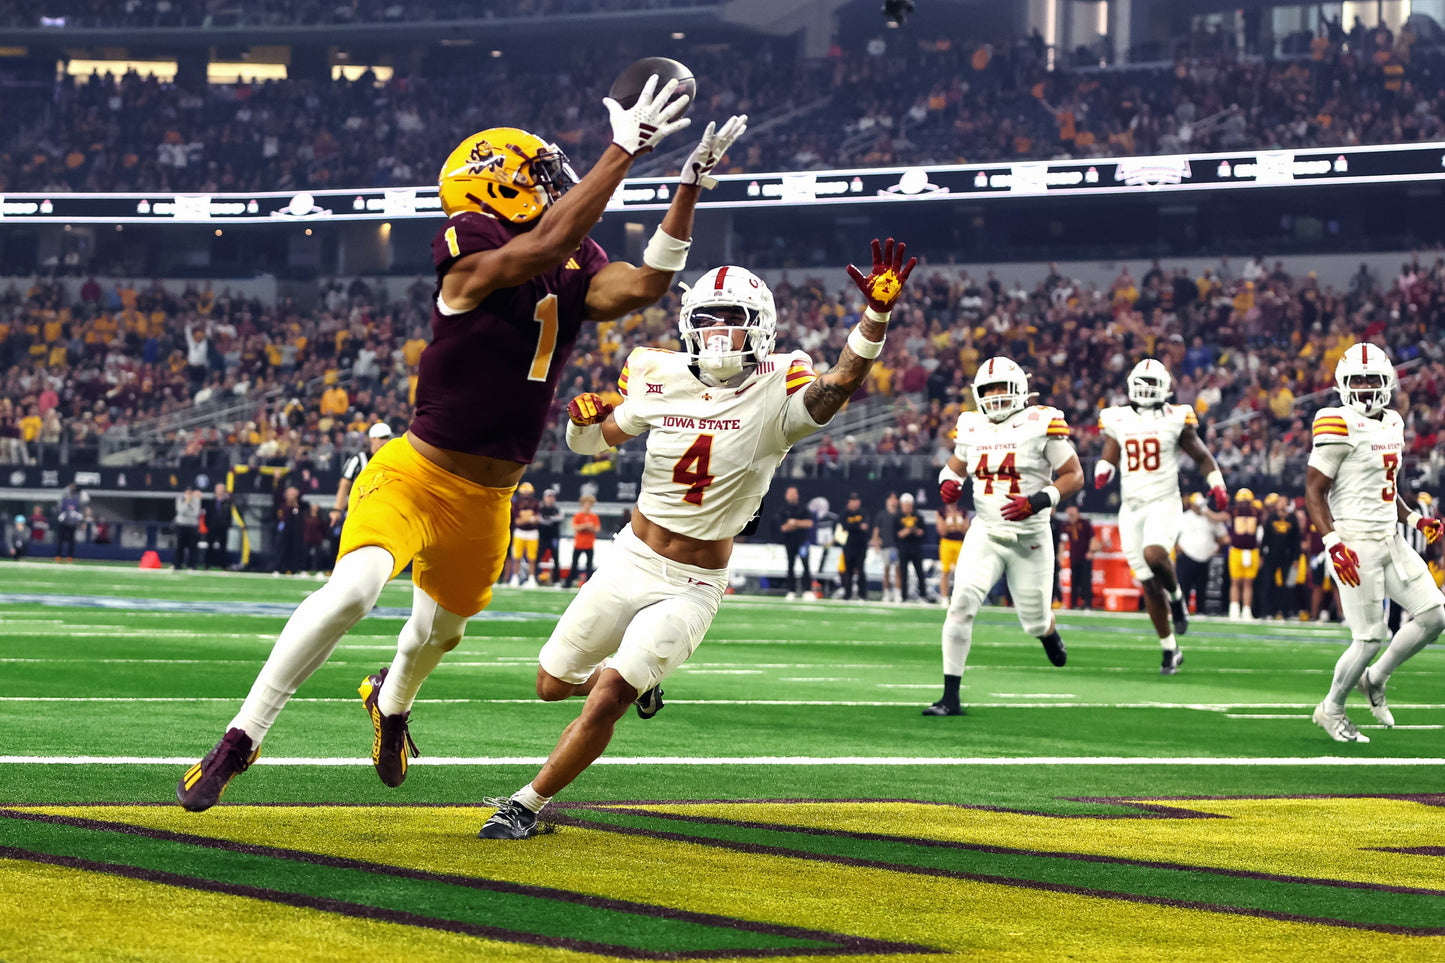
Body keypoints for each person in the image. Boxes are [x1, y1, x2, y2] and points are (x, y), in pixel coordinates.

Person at [177, 79, 737, 811]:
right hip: (416, 470)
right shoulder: (470, 239)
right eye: (536, 174)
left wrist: (687, 187)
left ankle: (391, 702)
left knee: (436, 634)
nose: (551, 184)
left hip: (489, 495)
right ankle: (241, 737)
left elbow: (642, 288)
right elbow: (542, 243)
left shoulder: (571, 250)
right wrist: (622, 151)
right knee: (353, 589)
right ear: (495, 185)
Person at [477, 238, 916, 839]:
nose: (716, 328)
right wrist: (581, 425)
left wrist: (875, 317)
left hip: (692, 584)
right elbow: (593, 443)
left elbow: (839, 382)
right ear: (687, 323)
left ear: (757, 328)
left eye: (731, 317)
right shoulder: (657, 373)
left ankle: (526, 804)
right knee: (551, 685)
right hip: (630, 558)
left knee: (608, 695)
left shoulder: (776, 389)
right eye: (706, 316)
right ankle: (640, 680)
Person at [926, 356, 1085, 716]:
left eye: (1003, 388)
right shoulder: (971, 426)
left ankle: (1047, 631)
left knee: (1033, 620)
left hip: (1030, 538)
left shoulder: (1038, 421)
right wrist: (948, 484)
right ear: (977, 394)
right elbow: (953, 468)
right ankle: (950, 697)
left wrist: (1039, 500)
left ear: (1021, 391)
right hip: (985, 530)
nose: (996, 396)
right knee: (961, 604)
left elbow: (1074, 475)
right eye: (989, 389)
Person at [1306, 344, 1445, 743]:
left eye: (1373, 380)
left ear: (1387, 383)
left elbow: (1388, 487)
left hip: (1391, 537)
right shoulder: (1335, 422)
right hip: (1353, 542)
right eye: (1357, 381)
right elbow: (1314, 492)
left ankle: (1375, 679)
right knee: (1369, 637)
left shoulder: (1394, 422)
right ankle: (1330, 709)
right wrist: (1332, 542)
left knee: (1434, 616)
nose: (1365, 388)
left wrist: (1414, 518)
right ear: (1343, 385)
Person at [1095, 359, 1229, 673]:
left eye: (1151, 384)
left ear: (1165, 388)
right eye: (1141, 384)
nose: (1145, 390)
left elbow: (1201, 455)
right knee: (1147, 583)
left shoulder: (1174, 417)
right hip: (1131, 506)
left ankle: (1178, 597)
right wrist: (1105, 468)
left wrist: (1217, 484)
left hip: (1163, 502)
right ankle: (1170, 649)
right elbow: (1112, 449)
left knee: (1155, 555)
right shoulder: (1119, 418)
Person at [331, 423, 393, 532]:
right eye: (383, 438)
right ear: (372, 439)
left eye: (388, 438)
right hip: (359, 514)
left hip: (383, 515)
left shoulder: (391, 461)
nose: (386, 441)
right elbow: (344, 485)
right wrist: (337, 509)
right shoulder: (359, 459)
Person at [1176, 494, 1228, 615]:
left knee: (1202, 586)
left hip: (1205, 558)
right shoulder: (1184, 517)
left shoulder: (1211, 519)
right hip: (1186, 556)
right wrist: (1178, 548)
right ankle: (1182, 610)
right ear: (1192, 505)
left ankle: (1200, 610)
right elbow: (1173, 535)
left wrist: (1215, 548)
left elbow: (1224, 537)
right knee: (1184, 586)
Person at [1259, 495, 1301, 619]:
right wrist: (1261, 555)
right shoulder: (1271, 518)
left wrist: (1296, 558)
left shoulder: (1292, 519)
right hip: (1271, 555)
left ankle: (1285, 612)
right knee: (1267, 584)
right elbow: (1265, 539)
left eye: (1284, 501)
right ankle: (1265, 612)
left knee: (1287, 585)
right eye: (1279, 501)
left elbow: (1296, 541)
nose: (1281, 504)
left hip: (1287, 556)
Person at [1227, 488, 1264, 620]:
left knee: (1248, 582)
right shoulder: (1233, 512)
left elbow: (1262, 531)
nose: (1243, 504)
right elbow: (1218, 518)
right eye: (1241, 501)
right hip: (1236, 550)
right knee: (1235, 581)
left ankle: (1247, 610)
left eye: (1246, 501)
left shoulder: (1256, 512)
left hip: (1251, 550)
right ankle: (1234, 608)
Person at [776, 485, 813, 598]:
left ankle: (808, 590)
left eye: (793, 493)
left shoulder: (803, 508)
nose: (791, 496)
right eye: (789, 494)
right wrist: (795, 525)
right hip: (789, 541)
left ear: (797, 495)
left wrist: (795, 522)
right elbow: (783, 528)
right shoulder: (783, 510)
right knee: (790, 565)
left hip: (802, 542)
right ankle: (791, 590)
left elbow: (809, 523)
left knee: (805, 565)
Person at [1059, 503, 1094, 609]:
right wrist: (1060, 555)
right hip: (1073, 557)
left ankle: (1087, 603)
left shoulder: (1085, 523)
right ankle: (1073, 604)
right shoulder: (1066, 525)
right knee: (1074, 581)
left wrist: (1091, 551)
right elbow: (1063, 542)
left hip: (1085, 556)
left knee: (1086, 581)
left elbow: (1093, 537)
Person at [895, 492, 928, 601]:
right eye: (905, 504)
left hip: (915, 547)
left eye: (909, 504)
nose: (908, 507)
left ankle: (923, 595)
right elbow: (897, 534)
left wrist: (914, 531)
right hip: (903, 548)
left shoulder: (918, 516)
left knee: (920, 572)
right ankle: (903, 596)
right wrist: (909, 530)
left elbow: (923, 532)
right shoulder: (897, 517)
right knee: (903, 573)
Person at [564, 494, 601, 588]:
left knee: (589, 566)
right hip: (579, 544)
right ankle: (568, 583)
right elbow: (575, 527)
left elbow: (597, 529)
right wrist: (586, 526)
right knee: (574, 564)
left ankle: (589, 584)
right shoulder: (578, 515)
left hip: (589, 544)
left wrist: (589, 527)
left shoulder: (594, 516)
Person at [839, 493, 871, 600]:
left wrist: (853, 527)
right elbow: (845, 526)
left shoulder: (863, 512)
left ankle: (862, 595)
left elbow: (865, 526)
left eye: (856, 500)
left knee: (861, 571)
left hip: (861, 546)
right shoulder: (845, 513)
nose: (855, 503)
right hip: (849, 546)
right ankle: (847, 594)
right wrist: (858, 526)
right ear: (849, 502)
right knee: (848, 571)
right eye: (852, 500)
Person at [509, 482, 541, 587]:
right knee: (516, 556)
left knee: (532, 558)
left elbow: (536, 520)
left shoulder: (536, 503)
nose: (526, 496)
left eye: (528, 494)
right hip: (520, 532)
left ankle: (531, 579)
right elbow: (517, 521)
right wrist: (529, 518)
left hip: (532, 533)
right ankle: (515, 578)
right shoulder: (517, 504)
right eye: (524, 493)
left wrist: (527, 518)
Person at [936, 502, 968, 600]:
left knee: (961, 572)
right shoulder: (941, 511)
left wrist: (956, 523)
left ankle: (959, 597)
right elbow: (942, 531)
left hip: (959, 542)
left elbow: (966, 530)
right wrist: (952, 523)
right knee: (945, 571)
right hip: (946, 542)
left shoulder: (963, 511)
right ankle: (944, 597)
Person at [873, 492, 901, 602]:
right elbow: (876, 529)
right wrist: (876, 543)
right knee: (886, 570)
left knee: (898, 571)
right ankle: (886, 593)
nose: (893, 501)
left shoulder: (899, 514)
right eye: (891, 498)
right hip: (885, 545)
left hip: (897, 546)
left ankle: (897, 593)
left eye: (895, 499)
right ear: (887, 500)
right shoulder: (882, 514)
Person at [536, 488, 563, 585]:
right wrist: (549, 520)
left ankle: (557, 581)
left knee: (556, 559)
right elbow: (539, 519)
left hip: (553, 537)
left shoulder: (557, 508)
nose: (551, 499)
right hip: (542, 537)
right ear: (544, 498)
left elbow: (560, 518)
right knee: (537, 558)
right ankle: (533, 578)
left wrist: (548, 519)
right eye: (549, 497)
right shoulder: (540, 507)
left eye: (552, 497)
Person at [204, 483, 233, 571]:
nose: (219, 491)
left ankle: (223, 566)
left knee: (223, 547)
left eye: (221, 489)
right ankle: (207, 565)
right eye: (218, 489)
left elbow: (229, 515)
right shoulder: (211, 502)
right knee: (210, 546)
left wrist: (227, 525)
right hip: (212, 527)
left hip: (223, 527)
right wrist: (209, 525)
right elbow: (207, 515)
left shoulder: (227, 502)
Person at [173, 485, 202, 570]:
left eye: (190, 492)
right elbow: (180, 511)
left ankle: (192, 565)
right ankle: (177, 564)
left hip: (192, 526)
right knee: (179, 546)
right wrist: (187, 502)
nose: (188, 494)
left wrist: (188, 505)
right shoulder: (180, 498)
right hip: (181, 525)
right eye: (187, 492)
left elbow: (196, 513)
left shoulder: (196, 499)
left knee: (193, 547)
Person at [54, 483, 84, 563]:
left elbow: (80, 510)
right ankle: (58, 556)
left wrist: (78, 519)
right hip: (63, 523)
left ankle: (70, 557)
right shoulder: (63, 498)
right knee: (60, 540)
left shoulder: (77, 498)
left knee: (71, 542)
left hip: (72, 523)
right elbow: (58, 509)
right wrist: (61, 515)